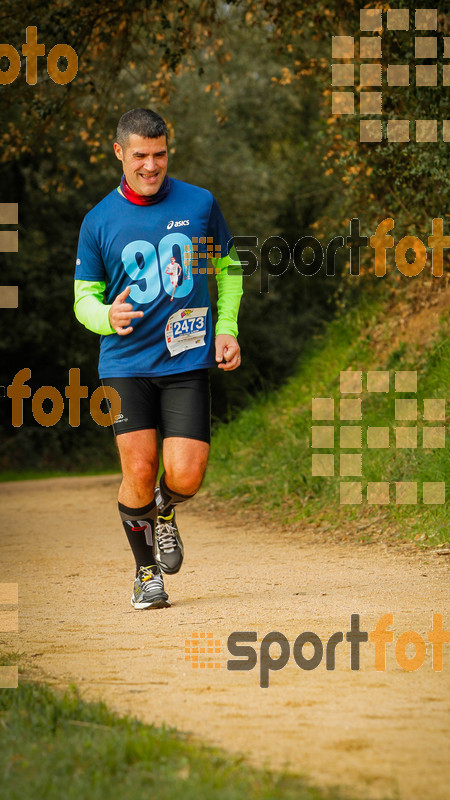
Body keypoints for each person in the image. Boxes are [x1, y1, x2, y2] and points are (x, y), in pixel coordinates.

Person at [74, 108, 243, 610]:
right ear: (119, 153)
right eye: (141, 156)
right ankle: (146, 574)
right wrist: (107, 316)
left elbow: (229, 267)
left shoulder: (200, 202)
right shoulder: (98, 221)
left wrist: (227, 327)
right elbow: (83, 298)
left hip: (186, 360)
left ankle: (164, 514)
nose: (152, 166)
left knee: (186, 474)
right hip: (124, 364)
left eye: (160, 155)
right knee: (140, 469)